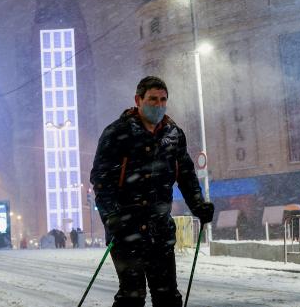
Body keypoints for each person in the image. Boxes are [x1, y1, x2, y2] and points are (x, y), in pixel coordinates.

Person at [91, 76, 214, 307]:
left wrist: (198, 204)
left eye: (163, 100)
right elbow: (101, 180)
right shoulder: (117, 133)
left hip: (160, 230)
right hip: (126, 229)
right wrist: (111, 215)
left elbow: (186, 175)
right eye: (152, 99)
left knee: (168, 296)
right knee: (132, 296)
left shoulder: (173, 135)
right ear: (138, 100)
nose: (158, 105)